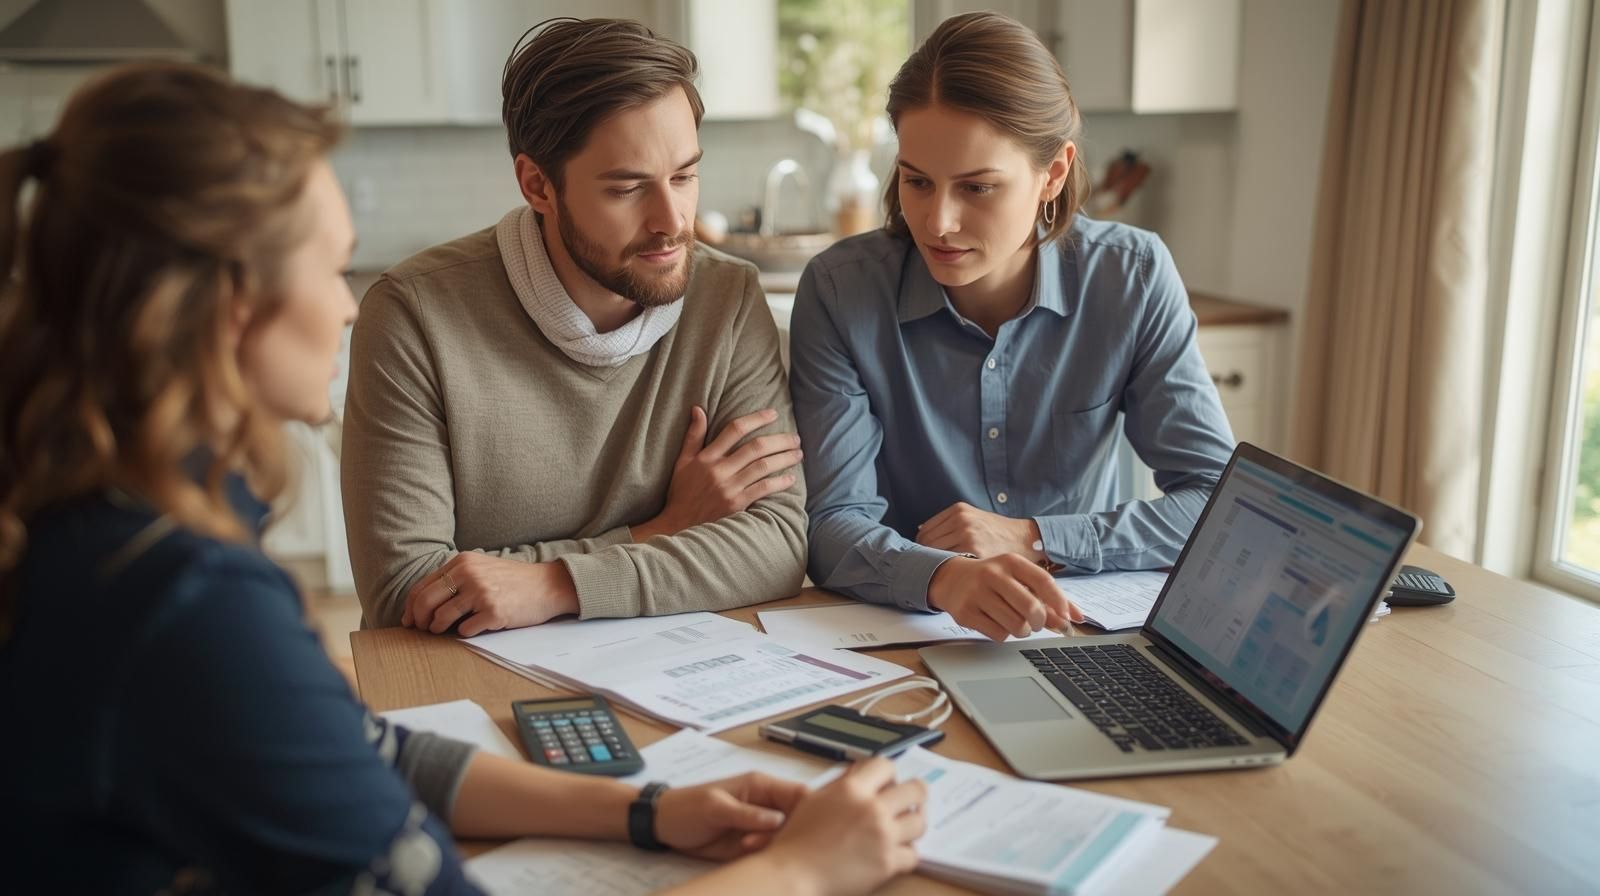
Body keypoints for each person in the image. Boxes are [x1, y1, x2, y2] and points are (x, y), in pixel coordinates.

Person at [0, 62, 924, 894]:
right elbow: (407, 602)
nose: (348, 302)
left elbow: (363, 751)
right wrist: (803, 873)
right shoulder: (181, 598)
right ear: (226, 307)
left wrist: (644, 810)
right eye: (326, 268)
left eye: (684, 175)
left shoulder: (120, 524)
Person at [341, 18, 806, 635]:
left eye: (685, 176)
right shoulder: (414, 315)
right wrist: (659, 532)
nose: (672, 221)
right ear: (538, 185)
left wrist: (552, 585)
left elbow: (775, 545)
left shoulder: (728, 299)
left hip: (671, 666)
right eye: (627, 188)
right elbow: (410, 590)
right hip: (465, 682)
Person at [789, 12, 1237, 643]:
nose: (938, 221)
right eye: (917, 181)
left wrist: (1036, 537)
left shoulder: (1130, 277)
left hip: (1083, 632)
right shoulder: (842, 289)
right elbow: (831, 524)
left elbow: (1218, 504)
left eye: (977, 187)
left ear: (1052, 174)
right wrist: (943, 576)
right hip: (907, 634)